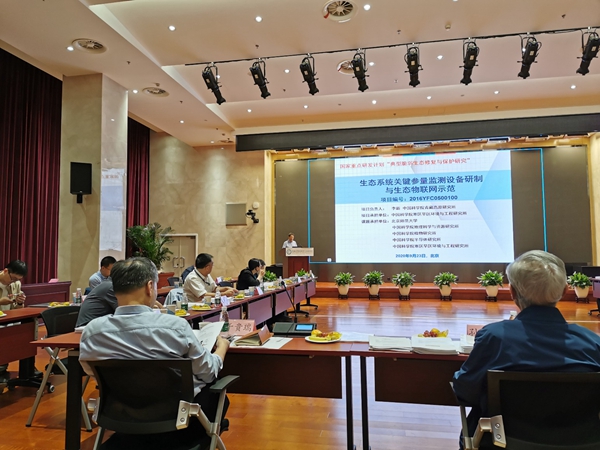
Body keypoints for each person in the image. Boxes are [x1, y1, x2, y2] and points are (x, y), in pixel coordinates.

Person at [452, 250, 600, 448]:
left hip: (502, 443)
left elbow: (465, 392)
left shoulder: (495, 337)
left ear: (512, 292)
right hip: (582, 443)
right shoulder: (592, 344)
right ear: (565, 290)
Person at [79, 257, 230, 447]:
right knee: (216, 391)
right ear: (150, 287)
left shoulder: (92, 332)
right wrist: (222, 348)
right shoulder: (175, 327)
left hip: (124, 419)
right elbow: (207, 372)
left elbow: (91, 370)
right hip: (179, 422)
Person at [0, 260, 28, 383]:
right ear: (6, 271)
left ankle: (27, 367)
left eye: (18, 280)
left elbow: (17, 310)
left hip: (9, 321)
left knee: (25, 331)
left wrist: (20, 302)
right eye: (13, 278)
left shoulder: (16, 284)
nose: (15, 282)